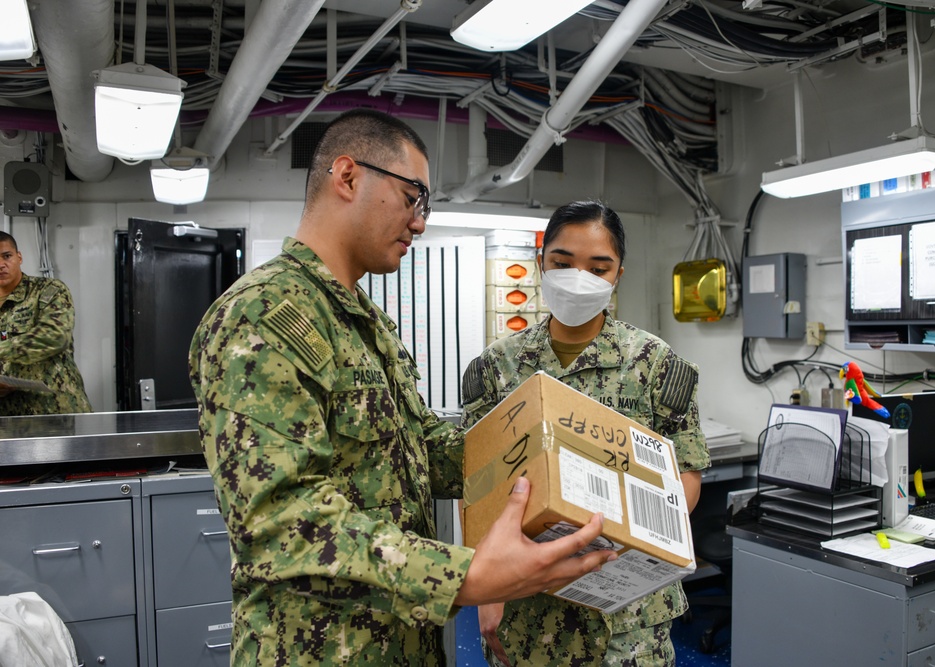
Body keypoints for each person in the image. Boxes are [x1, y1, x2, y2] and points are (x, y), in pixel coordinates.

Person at [188, 110, 617, 665]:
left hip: (399, 644)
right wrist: (466, 576)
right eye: (414, 197)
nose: (419, 223)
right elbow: (281, 522)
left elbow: (422, 452)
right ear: (347, 177)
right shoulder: (264, 314)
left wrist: (544, 452)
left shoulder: (361, 320)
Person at [461, 200, 712, 666]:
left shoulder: (654, 363)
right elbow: (479, 486)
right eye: (562, 263)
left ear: (618, 274)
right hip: (528, 604)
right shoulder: (496, 367)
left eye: (599, 268)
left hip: (626, 609)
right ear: (541, 263)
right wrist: (487, 589)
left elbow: (688, 474)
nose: (580, 278)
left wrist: (633, 533)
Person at [0, 231, 91, 416]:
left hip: (55, 412)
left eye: (6, 256)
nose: (1, 265)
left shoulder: (49, 290)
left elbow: (55, 336)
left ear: (19, 257)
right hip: (9, 419)